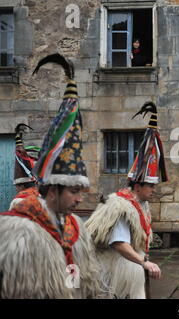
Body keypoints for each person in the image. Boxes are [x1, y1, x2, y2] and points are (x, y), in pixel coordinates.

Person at [0, 53, 103, 298]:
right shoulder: (17, 231)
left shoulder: (75, 228)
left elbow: (81, 282)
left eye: (81, 191)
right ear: (54, 189)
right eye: (74, 191)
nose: (80, 199)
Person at [85, 101, 168, 299]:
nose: (154, 190)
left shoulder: (140, 203)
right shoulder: (122, 207)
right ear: (137, 187)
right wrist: (143, 262)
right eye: (151, 186)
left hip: (129, 263)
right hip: (114, 265)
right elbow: (119, 243)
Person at [9, 124, 39, 210]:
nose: (16, 189)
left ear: (21, 186)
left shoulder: (18, 201)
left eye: (17, 186)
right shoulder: (42, 199)